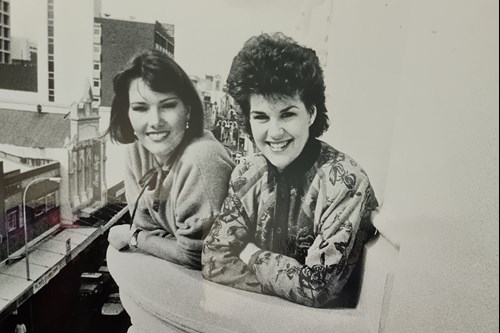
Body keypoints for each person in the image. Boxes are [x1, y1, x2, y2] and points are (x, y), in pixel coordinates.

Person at [202, 33, 379, 307]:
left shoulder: (346, 181)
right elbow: (213, 259)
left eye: (287, 114)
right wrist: (287, 278)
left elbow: (317, 288)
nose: (275, 132)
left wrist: (249, 253)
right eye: (261, 117)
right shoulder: (247, 173)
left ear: (311, 113)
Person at [106, 50, 234, 270]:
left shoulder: (201, 159)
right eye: (140, 108)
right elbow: (144, 224)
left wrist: (135, 238)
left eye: (167, 105)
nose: (155, 121)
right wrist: (158, 239)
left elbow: (198, 256)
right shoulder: (137, 152)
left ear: (188, 110)